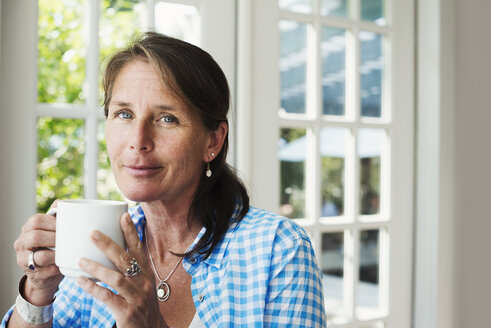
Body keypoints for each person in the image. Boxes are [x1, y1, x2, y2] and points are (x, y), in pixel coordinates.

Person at [1, 32, 326, 328]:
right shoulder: (100, 244)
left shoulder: (277, 250)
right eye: (124, 114)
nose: (138, 140)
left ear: (212, 141)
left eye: (167, 118)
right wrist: (38, 292)